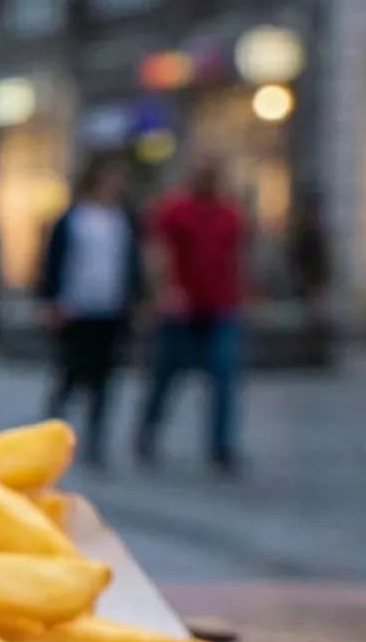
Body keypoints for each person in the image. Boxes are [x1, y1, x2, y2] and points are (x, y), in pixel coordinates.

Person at [134, 153, 246, 474]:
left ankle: (221, 446)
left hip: (220, 305)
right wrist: (164, 291)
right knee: (165, 375)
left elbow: (237, 256)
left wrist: (243, 292)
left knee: (224, 375)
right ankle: (148, 432)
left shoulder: (229, 213)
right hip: (180, 309)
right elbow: (157, 251)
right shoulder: (175, 209)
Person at [35, 152, 140, 467]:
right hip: (76, 307)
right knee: (70, 374)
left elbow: (130, 264)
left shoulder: (122, 219)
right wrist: (52, 300)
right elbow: (54, 261)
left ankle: (96, 439)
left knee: (105, 377)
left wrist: (134, 300)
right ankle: (50, 434)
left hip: (110, 307)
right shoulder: (73, 218)